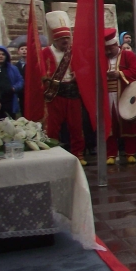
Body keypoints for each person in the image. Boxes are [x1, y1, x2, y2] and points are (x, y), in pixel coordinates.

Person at [40, 11, 85, 163]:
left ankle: (78, 154)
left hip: (72, 92)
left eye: (67, 38)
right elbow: (39, 72)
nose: (65, 41)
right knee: (52, 128)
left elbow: (85, 68)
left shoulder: (74, 52)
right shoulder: (45, 52)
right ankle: (52, 154)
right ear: (55, 39)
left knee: (76, 127)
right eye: (62, 39)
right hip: (55, 94)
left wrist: (78, 75)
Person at [103, 29, 136, 164]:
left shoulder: (127, 55)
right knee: (109, 124)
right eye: (106, 49)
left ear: (115, 45)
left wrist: (119, 74)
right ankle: (111, 154)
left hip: (124, 94)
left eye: (110, 49)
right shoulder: (102, 58)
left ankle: (130, 153)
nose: (108, 52)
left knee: (127, 122)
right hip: (107, 95)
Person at [0, 46, 23, 128]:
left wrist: (14, 88)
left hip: (9, 101)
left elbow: (20, 81)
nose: (1, 56)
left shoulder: (13, 68)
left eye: (3, 54)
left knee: (9, 126)